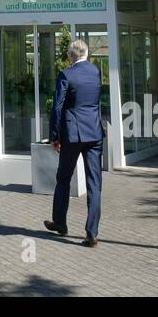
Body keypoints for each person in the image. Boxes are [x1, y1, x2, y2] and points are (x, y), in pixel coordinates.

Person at [43, 38, 104, 247]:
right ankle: (92, 233)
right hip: (94, 132)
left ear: (71, 56)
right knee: (94, 184)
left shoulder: (66, 74)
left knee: (64, 177)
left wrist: (54, 135)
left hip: (73, 133)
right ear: (87, 54)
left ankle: (60, 222)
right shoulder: (96, 72)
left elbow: (57, 107)